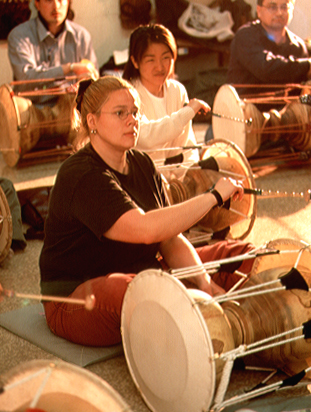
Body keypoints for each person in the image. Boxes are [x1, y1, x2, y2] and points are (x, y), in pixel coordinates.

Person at [39, 75, 255, 347]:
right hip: (77, 296)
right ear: (92, 121)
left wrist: (204, 281)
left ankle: (233, 311)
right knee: (139, 290)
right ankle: (198, 327)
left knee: (240, 254)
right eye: (120, 113)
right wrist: (213, 196)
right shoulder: (80, 174)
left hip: (144, 273)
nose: (132, 120)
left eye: (135, 112)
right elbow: (145, 229)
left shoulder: (141, 163)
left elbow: (168, 237)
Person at [122, 24, 209, 171]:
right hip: (143, 179)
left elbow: (188, 146)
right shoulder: (128, 95)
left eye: (166, 58)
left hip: (177, 181)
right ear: (135, 62)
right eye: (151, 60)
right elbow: (147, 137)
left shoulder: (177, 90)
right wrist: (188, 112)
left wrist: (188, 177)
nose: (160, 67)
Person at [7, 0, 98, 105]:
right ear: (36, 4)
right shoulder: (19, 36)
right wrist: (68, 67)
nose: (56, 6)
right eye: (48, 0)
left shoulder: (82, 36)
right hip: (31, 110)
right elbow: (26, 79)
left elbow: (94, 80)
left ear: (68, 2)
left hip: (72, 111)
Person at [227, 0, 311, 89]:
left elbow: (302, 86)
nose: (279, 13)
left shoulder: (298, 46)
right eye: (273, 7)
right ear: (259, 10)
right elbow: (265, 69)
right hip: (243, 104)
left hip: (286, 105)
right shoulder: (245, 36)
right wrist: (307, 65)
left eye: (284, 7)